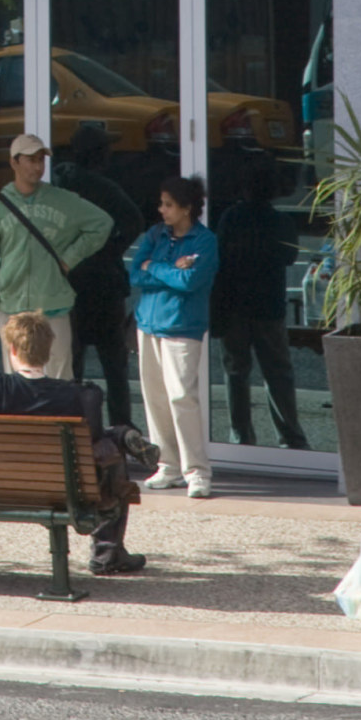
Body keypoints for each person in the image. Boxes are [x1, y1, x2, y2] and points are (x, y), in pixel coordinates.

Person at [0, 305, 146, 576]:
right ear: (48, 351)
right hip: (62, 488)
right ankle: (108, 553)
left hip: (5, 483)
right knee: (109, 449)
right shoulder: (79, 395)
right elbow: (92, 445)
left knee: (109, 443)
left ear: (14, 349)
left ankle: (122, 436)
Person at [0, 132, 108, 372]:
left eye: (41, 160)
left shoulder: (62, 200)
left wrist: (69, 258)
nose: (38, 166)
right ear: (14, 162)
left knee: (58, 377)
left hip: (53, 303)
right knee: (18, 380)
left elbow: (101, 223)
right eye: (31, 160)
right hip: (11, 307)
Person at [126, 170, 221, 496]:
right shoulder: (155, 235)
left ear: (186, 208)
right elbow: (135, 274)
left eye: (168, 205)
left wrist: (153, 268)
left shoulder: (205, 241)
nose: (161, 210)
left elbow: (191, 282)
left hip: (182, 327)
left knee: (182, 396)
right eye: (161, 204)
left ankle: (197, 471)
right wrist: (163, 269)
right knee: (155, 398)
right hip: (148, 325)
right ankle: (167, 465)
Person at [212, 137, 308, 451]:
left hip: (234, 304)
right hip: (268, 305)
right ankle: (290, 435)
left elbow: (220, 258)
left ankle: (241, 435)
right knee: (278, 371)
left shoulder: (231, 218)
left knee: (236, 370)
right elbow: (289, 257)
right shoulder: (280, 221)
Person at [58, 118, 143, 426]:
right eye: (106, 148)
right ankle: (121, 427)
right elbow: (133, 220)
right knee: (114, 365)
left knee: (72, 362)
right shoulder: (106, 189)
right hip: (105, 286)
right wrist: (112, 249)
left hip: (69, 283)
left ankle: (74, 424)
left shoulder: (59, 184)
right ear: (97, 154)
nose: (110, 154)